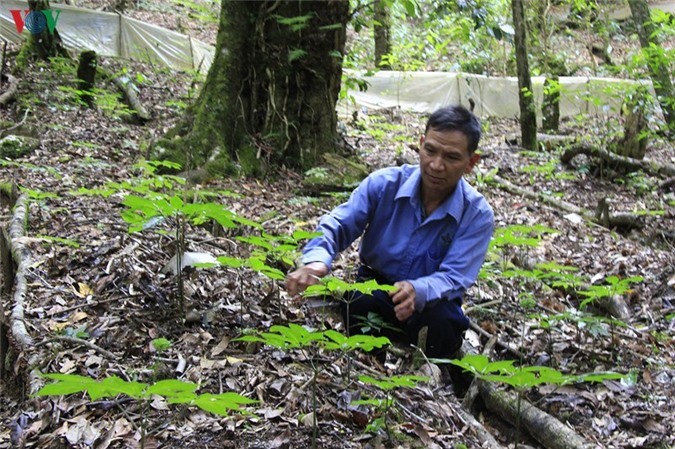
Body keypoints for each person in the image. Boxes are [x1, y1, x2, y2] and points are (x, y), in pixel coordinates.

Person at [285, 105, 494, 359]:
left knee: (445, 324)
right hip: (376, 288)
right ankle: (366, 369)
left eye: (451, 157)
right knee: (359, 302)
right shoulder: (384, 184)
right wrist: (317, 259)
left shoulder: (476, 214)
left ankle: (431, 383)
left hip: (433, 303)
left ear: (471, 162)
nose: (436, 165)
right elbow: (339, 223)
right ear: (420, 144)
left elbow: (456, 276)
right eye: (430, 151)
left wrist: (419, 290)